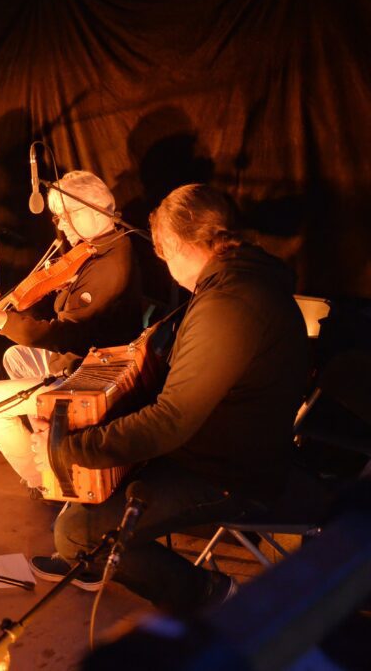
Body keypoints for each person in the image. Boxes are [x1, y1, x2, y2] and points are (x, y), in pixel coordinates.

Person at [27, 184, 309, 614]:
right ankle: (92, 560)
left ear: (177, 243)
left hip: (229, 474)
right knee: (81, 508)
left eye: (162, 252)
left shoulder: (228, 303)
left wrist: (68, 449)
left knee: (76, 533)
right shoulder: (240, 278)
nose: (164, 263)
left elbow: (171, 420)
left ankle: (210, 594)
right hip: (216, 451)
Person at [0, 170, 143, 487]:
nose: (61, 226)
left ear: (94, 210)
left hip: (88, 372)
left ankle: (45, 479)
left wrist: (6, 321)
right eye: (57, 218)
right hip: (80, 356)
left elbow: (65, 335)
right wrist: (6, 309)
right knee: (15, 357)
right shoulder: (99, 248)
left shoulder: (108, 265)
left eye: (65, 216)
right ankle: (51, 438)